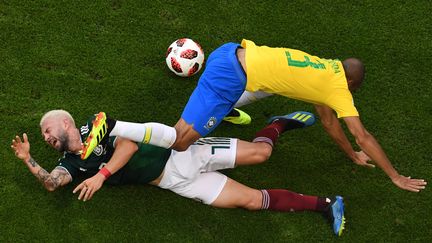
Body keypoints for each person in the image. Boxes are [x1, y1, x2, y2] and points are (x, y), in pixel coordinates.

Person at [81, 40, 426, 193]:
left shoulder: (326, 70)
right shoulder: (338, 90)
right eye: (352, 92)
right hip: (229, 76)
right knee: (183, 141)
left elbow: (329, 122)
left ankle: (225, 111)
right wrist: (394, 176)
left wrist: (351, 156)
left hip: (232, 55)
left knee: (261, 90)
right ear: (350, 83)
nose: (349, 97)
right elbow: (360, 133)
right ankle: (111, 124)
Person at [12, 110, 346, 236]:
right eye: (43, 136)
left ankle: (277, 124)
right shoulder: (71, 164)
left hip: (186, 152)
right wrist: (29, 159)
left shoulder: (94, 128)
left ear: (66, 122)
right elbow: (52, 183)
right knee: (251, 201)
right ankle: (327, 203)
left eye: (46, 130)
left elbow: (128, 146)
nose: (45, 136)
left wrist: (101, 175)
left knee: (261, 154)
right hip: (175, 181)